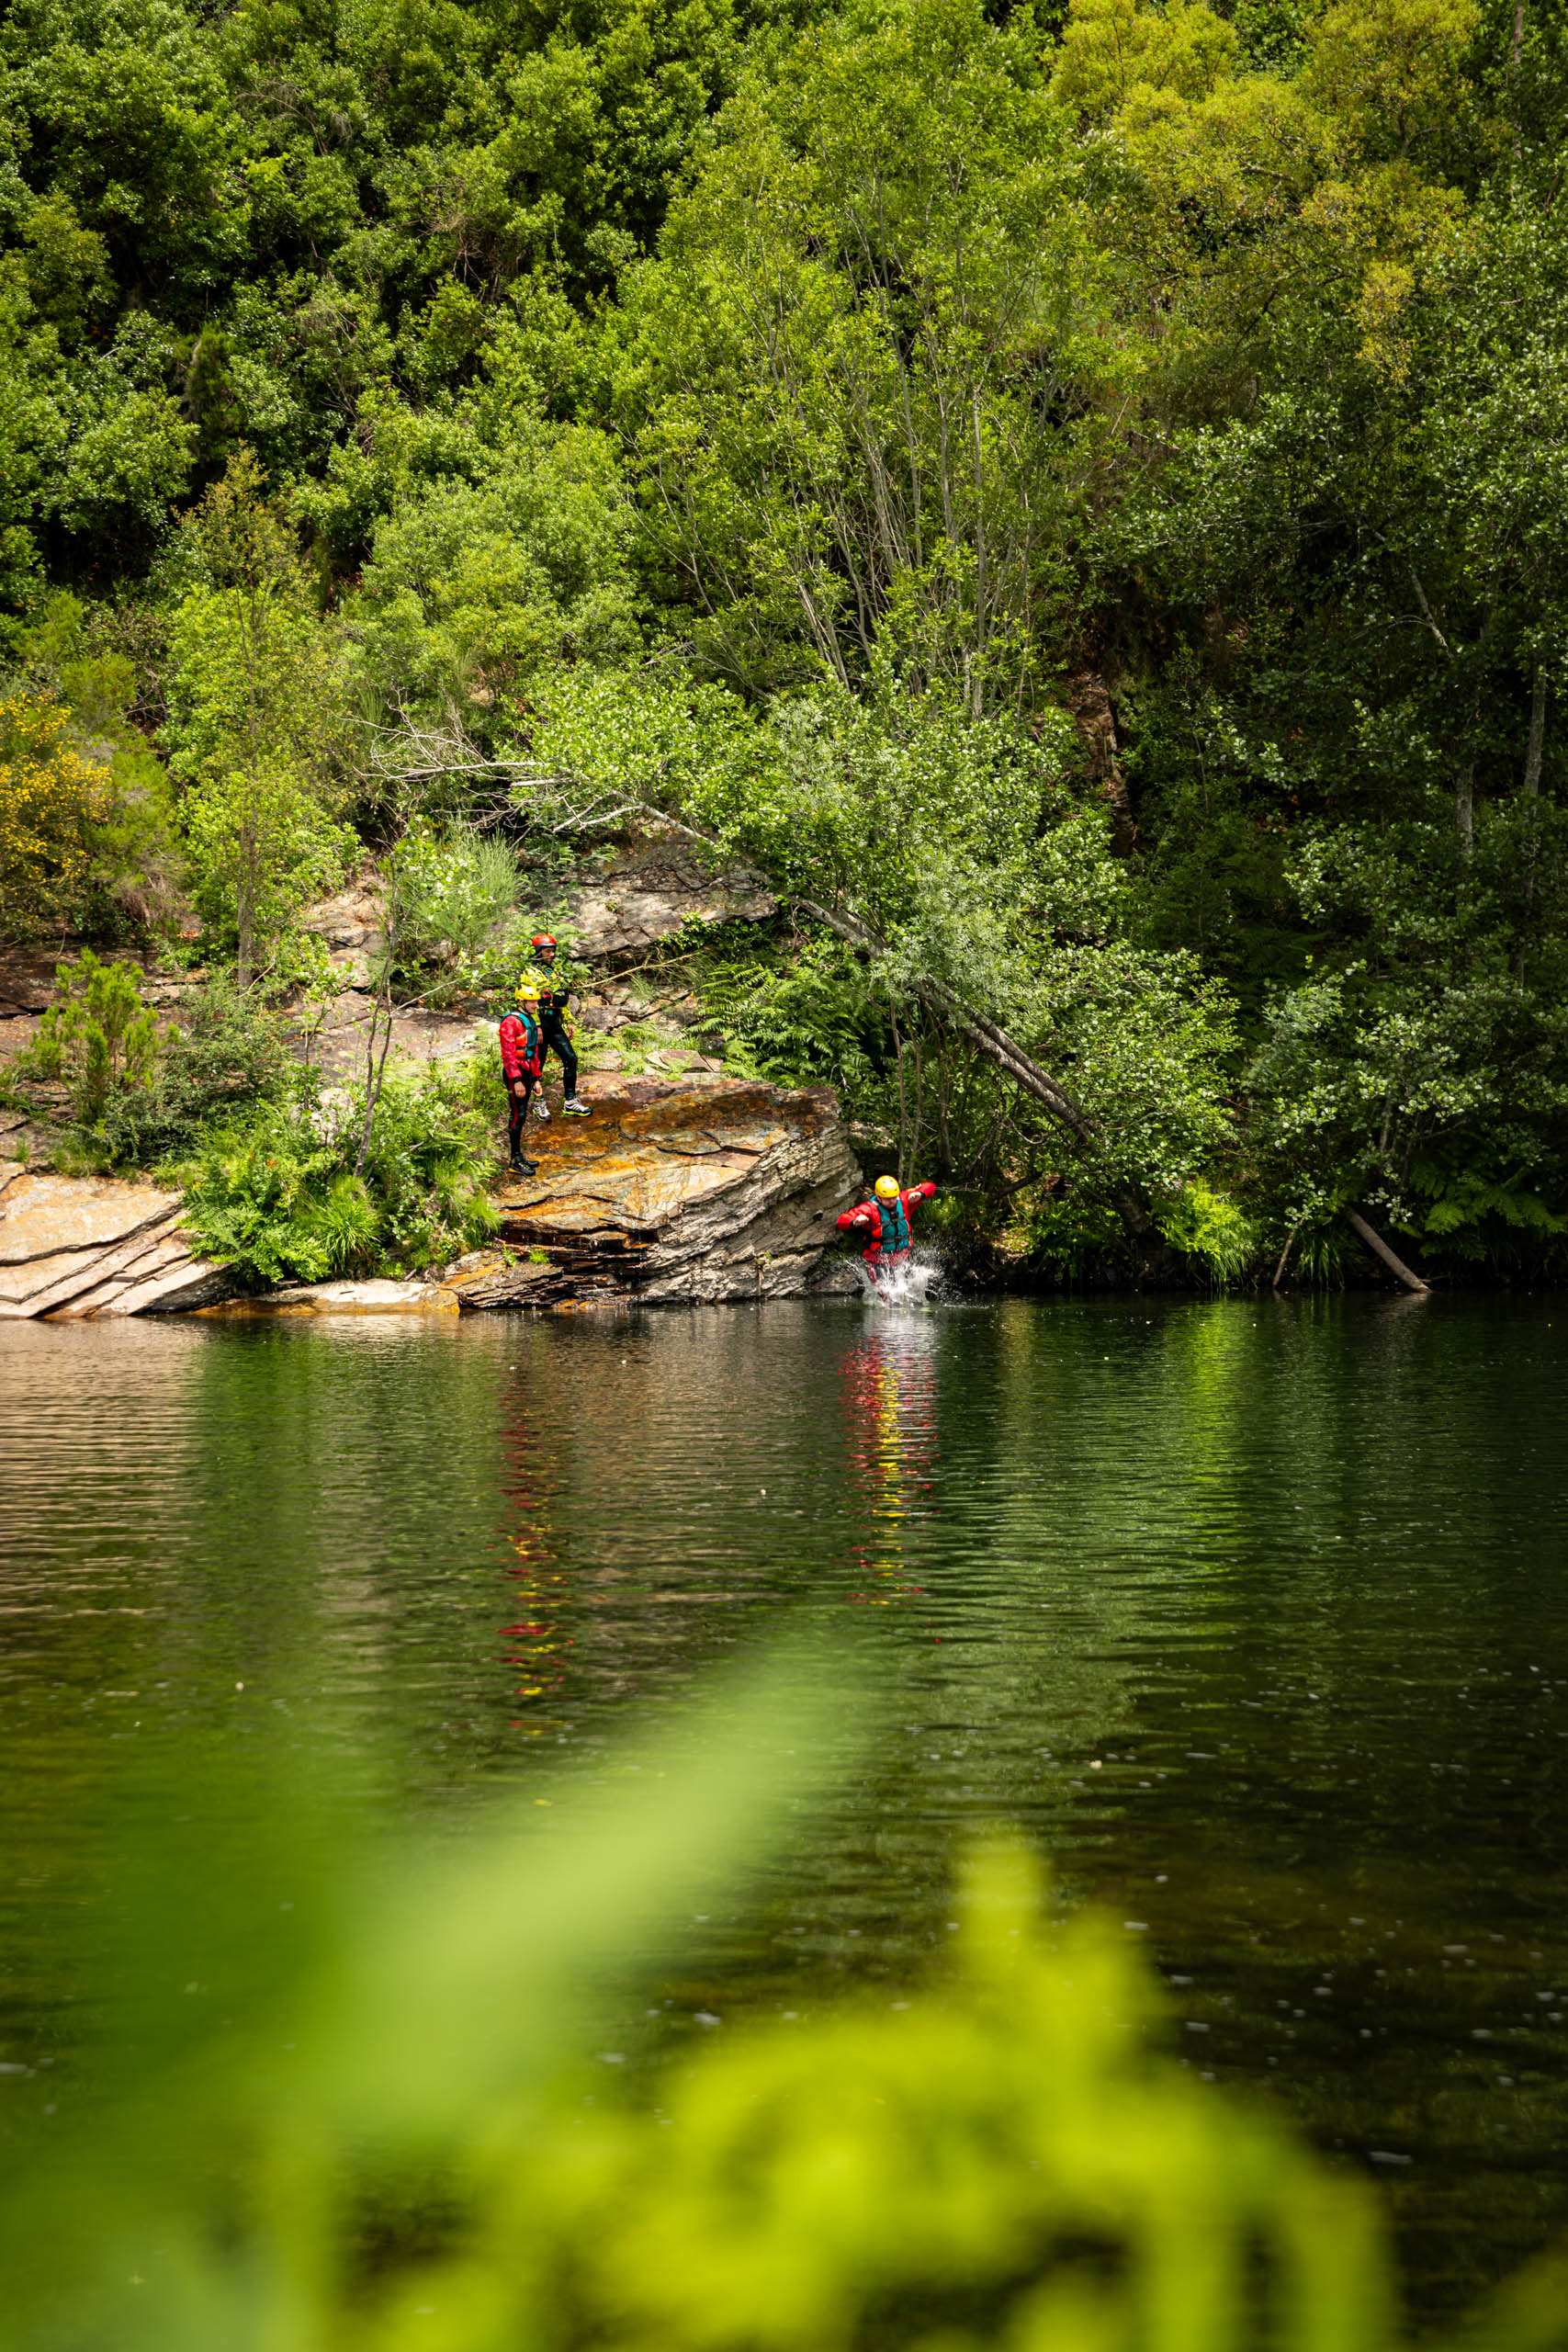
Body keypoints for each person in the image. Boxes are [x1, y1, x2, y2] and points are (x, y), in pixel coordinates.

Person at [518, 933, 590, 1117]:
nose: (551, 954)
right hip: (540, 1025)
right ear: (538, 952)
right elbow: (530, 1002)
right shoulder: (530, 973)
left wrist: (568, 1021)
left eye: (553, 951)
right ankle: (539, 1103)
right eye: (547, 951)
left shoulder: (554, 972)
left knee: (570, 1058)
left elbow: (561, 1000)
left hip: (555, 1024)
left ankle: (571, 1101)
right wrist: (537, 1027)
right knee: (537, 1065)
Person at [838, 1174, 938, 1279]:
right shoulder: (870, 1209)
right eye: (888, 1199)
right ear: (879, 1198)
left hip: (901, 1258)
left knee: (906, 1289)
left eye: (894, 1197)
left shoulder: (904, 1200)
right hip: (877, 1261)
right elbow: (842, 1220)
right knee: (886, 1293)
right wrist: (854, 1221)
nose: (892, 1201)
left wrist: (920, 1193)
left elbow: (930, 1186)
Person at [499, 982, 544, 1173]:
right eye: (531, 1001)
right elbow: (508, 1054)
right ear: (521, 1001)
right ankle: (514, 1161)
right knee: (519, 1114)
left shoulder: (529, 1020)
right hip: (514, 1074)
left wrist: (536, 1078)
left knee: (522, 1113)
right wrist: (516, 1080)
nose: (535, 1005)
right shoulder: (510, 1022)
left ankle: (519, 1156)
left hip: (526, 1071)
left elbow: (532, 1052)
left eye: (536, 1001)